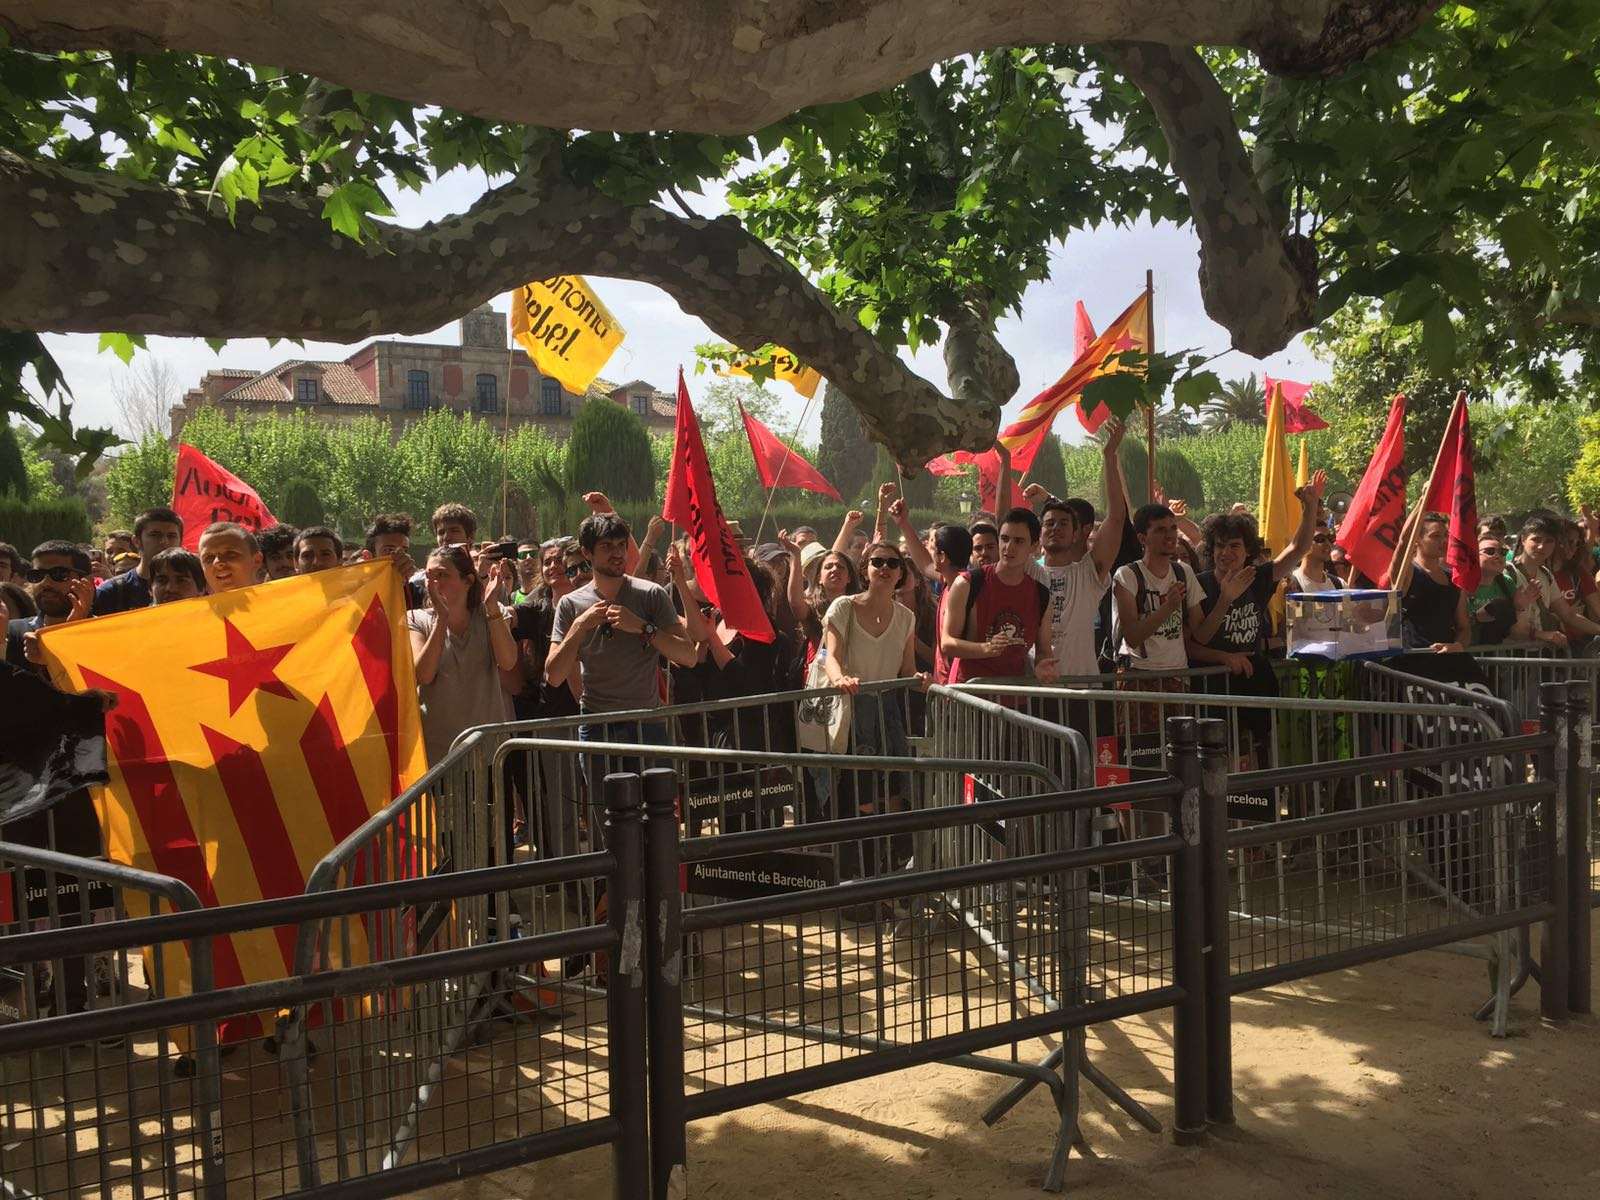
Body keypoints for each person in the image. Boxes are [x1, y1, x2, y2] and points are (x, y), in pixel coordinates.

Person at [1190, 471, 1324, 765]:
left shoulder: (1258, 577)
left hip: (1256, 677)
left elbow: (1298, 549)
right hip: (1213, 687)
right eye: (1220, 546)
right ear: (1211, 550)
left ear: (1248, 550)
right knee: (1219, 760)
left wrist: (1310, 506)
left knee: (1259, 754)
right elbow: (1195, 641)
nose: (1226, 553)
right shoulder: (1199, 584)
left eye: (1234, 546)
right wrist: (1225, 604)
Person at [547, 512, 697, 744]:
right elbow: (554, 676)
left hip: (647, 725)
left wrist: (642, 627)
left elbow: (688, 656)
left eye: (621, 545)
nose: (617, 553)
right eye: (607, 546)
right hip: (597, 728)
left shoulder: (651, 595)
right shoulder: (570, 605)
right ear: (587, 552)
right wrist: (579, 626)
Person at [407, 544, 520, 765]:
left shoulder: (492, 612)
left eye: (442, 575)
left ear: (467, 581)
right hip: (440, 757)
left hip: (489, 754)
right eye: (429, 576)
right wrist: (441, 618)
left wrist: (492, 608)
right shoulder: (416, 618)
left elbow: (508, 661)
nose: (432, 583)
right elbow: (424, 675)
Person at [1037, 419, 1129, 679]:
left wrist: (1109, 456)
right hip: (1032, 689)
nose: (1055, 528)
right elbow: (1003, 527)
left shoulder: (1088, 574)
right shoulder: (1027, 573)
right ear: (1039, 533)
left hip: (1081, 688)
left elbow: (1116, 518)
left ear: (1077, 533)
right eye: (1049, 523)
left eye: (1064, 523)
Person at [941, 507, 1057, 685]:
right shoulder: (967, 583)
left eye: (1018, 541)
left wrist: (1042, 666)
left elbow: (1043, 649)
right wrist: (985, 648)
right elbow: (947, 643)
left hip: (1017, 698)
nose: (1008, 547)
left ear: (1034, 546)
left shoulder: (1041, 595)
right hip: (972, 697)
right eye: (1004, 539)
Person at [1111, 503, 1205, 690]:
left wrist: (1227, 597)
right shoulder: (1127, 575)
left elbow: (1201, 631)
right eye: (1160, 530)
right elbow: (1132, 637)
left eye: (1173, 528)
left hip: (1178, 677)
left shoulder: (1183, 572)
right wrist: (1167, 608)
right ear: (1142, 538)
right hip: (1138, 676)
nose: (1170, 535)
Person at [1394, 513, 1486, 687]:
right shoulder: (1408, 573)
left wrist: (1458, 645)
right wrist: (1421, 504)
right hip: (1414, 667)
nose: (1443, 541)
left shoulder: (1455, 580)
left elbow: (1464, 627)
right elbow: (1400, 552)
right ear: (1417, 540)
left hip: (1449, 667)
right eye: (1435, 536)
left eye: (1445, 536)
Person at [6, 541, 94, 672]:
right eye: (37, 575)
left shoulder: (106, 636)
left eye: (59, 574)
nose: (45, 582)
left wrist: (71, 637)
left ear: (86, 581)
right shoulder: (12, 632)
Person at [91, 506, 183, 615]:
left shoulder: (195, 588)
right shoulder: (111, 592)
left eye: (171, 536)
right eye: (155, 535)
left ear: (181, 541)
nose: (164, 542)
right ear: (137, 541)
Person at [1469, 534, 1539, 647]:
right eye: (1490, 551)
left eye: (1502, 552)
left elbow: (1519, 634)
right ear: (1474, 555)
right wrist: (1476, 619)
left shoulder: (1506, 582)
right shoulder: (1460, 583)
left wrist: (1519, 608)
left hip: (1497, 658)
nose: (1498, 556)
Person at [197, 522, 265, 594]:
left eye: (230, 554)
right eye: (208, 558)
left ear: (257, 560)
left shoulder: (277, 601)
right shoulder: (191, 605)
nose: (217, 562)